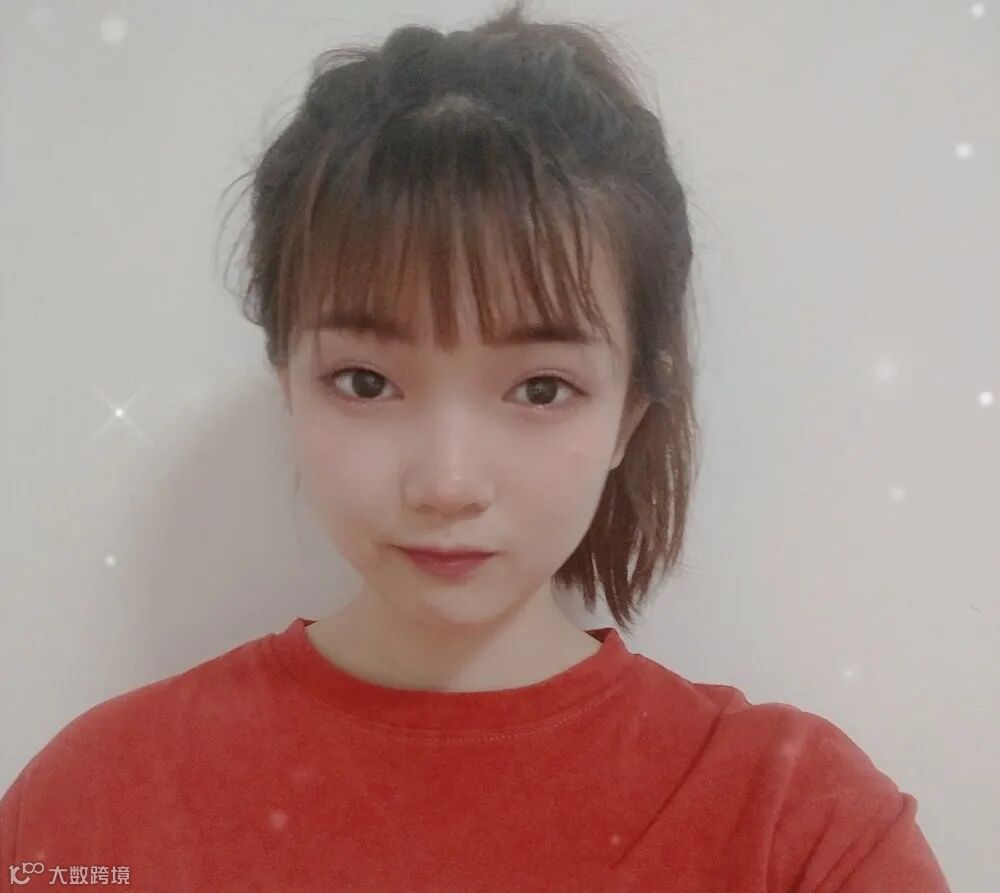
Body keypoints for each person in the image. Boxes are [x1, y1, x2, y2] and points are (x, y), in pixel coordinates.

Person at [1, 1, 951, 890]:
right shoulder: (92, 810)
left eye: (541, 388)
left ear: (629, 413)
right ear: (287, 381)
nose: (448, 482)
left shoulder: (799, 826)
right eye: (366, 381)